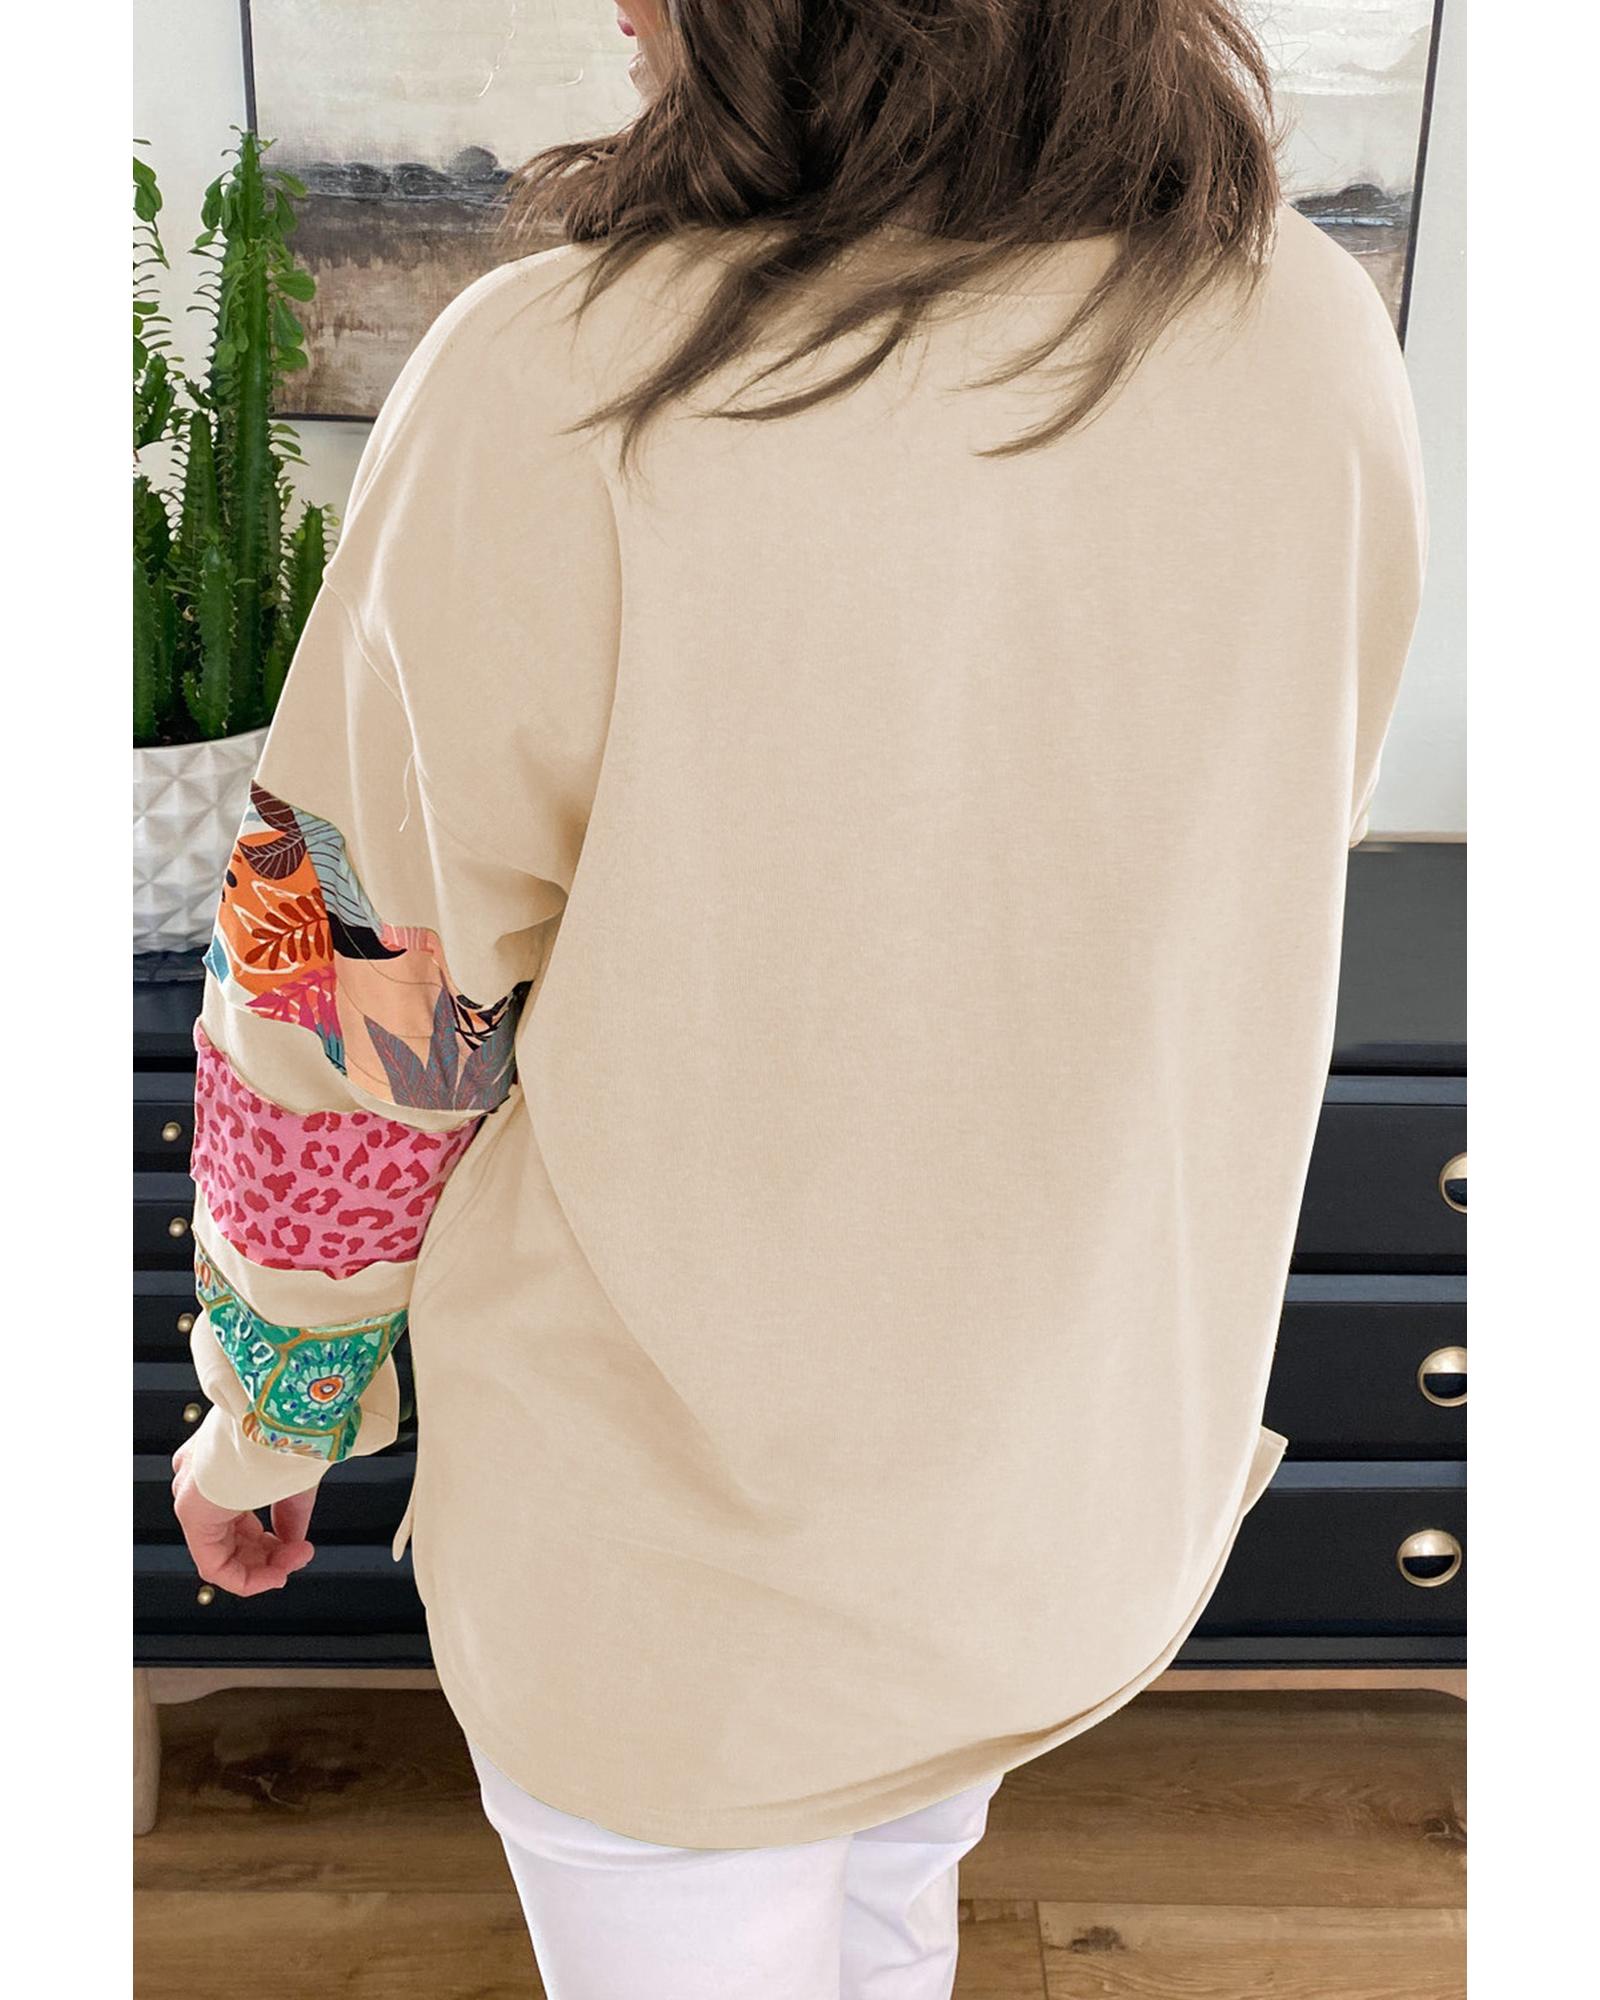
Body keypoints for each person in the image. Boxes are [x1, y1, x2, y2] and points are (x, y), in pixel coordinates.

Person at [169, 3, 1427, 1994]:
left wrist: (266, 1418)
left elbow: (334, 996)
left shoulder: (557, 379)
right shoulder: (1301, 336)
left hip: (671, 1570)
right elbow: (1252, 852)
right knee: (891, 1910)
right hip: (1052, 1504)